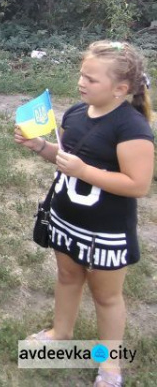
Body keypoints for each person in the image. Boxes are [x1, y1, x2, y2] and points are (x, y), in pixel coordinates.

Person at [14, 41, 153, 387]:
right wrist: (40, 147)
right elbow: (64, 156)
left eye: (91, 79)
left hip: (105, 231)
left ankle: (109, 366)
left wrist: (83, 171)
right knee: (67, 278)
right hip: (67, 221)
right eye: (81, 75)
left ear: (120, 89)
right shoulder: (76, 112)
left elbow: (138, 185)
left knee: (106, 297)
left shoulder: (131, 127)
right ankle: (61, 334)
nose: (81, 82)